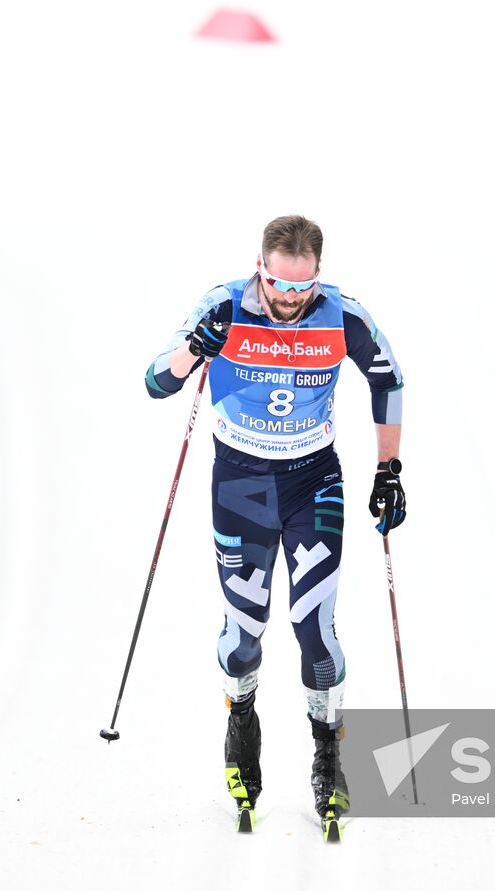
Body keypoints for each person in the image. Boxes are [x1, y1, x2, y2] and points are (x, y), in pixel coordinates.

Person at [144, 215, 406, 831]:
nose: (290, 300)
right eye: (279, 285)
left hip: (313, 482)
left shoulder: (341, 316)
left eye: (303, 287)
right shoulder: (224, 306)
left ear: (318, 274)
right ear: (260, 268)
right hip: (240, 485)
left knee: (315, 631)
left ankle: (328, 751)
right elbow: (156, 381)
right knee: (244, 634)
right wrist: (195, 348)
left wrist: (389, 470)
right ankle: (242, 720)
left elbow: (387, 380)